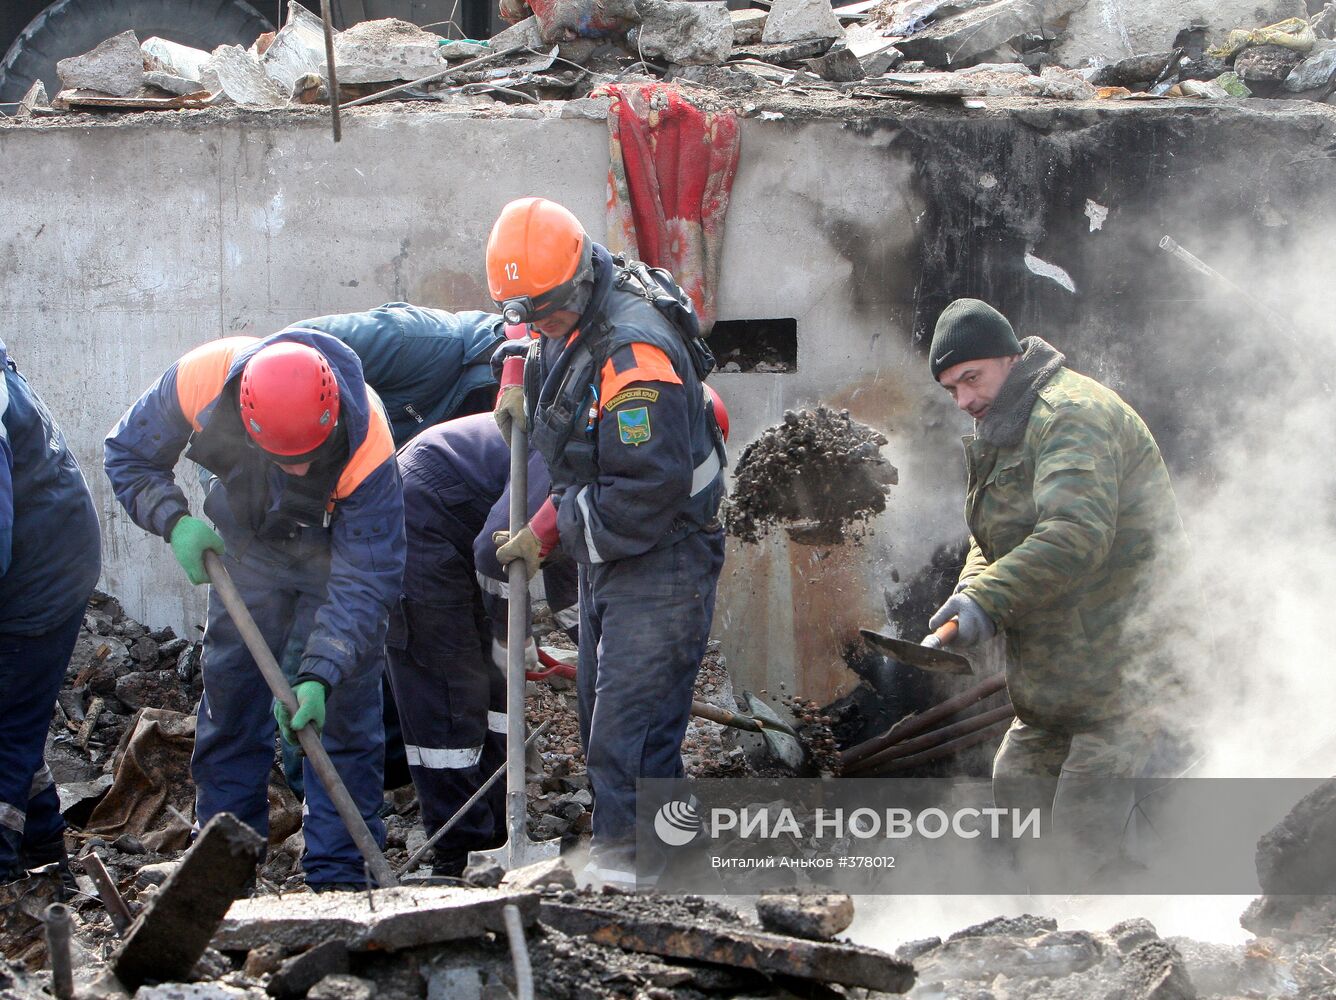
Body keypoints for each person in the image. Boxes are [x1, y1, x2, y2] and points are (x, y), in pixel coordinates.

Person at [104, 331, 405, 890]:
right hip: (248, 551)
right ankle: (224, 871)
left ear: (332, 418)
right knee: (232, 703)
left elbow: (367, 579)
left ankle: (340, 882)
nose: (296, 470)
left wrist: (320, 673)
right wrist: (173, 519)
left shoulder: (369, 441)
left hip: (336, 555)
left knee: (343, 716)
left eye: (307, 459)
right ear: (247, 426)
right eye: (281, 459)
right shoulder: (201, 379)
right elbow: (128, 454)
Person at [485, 196, 728, 887]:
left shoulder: (634, 356)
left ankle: (627, 877)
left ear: (577, 286)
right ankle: (675, 867)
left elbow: (642, 494)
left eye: (543, 315)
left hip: (662, 555)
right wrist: (515, 375)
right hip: (618, 555)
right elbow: (524, 330)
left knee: (624, 731)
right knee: (613, 716)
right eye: (524, 315)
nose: (537, 328)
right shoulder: (567, 304)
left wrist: (552, 535)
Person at [925, 297, 1193, 876]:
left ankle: (1129, 947)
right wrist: (971, 590)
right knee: (1017, 802)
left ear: (1011, 357)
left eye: (971, 378)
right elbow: (997, 534)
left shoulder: (1070, 414)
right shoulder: (1006, 424)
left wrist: (988, 599)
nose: (964, 400)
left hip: (1127, 680)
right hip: (1057, 683)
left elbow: (1074, 535)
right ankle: (1042, 941)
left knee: (1081, 839)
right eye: (951, 389)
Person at [272, 304, 512, 797]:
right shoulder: (416, 342)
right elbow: (281, 356)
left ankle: (384, 777)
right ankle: (311, 785)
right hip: (317, 500)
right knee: (317, 637)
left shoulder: (493, 415)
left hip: (394, 520)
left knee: (406, 640)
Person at [388, 411, 569, 875]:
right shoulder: (573, 454)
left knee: (494, 687)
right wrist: (515, 633)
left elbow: (564, 562)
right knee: (447, 685)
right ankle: (458, 851)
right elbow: (496, 552)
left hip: (463, 511)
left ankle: (497, 832)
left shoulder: (607, 472)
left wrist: (593, 651)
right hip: (420, 507)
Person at [0, 341, 101, 886]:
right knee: (16, 723)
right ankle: (42, 855)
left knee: (6, 730)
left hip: (39, 582)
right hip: (47, 558)